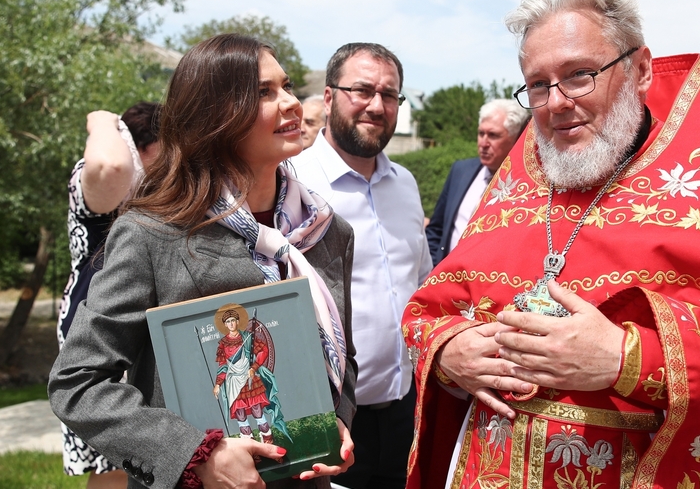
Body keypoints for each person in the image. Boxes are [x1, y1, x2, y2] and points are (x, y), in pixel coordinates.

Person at [402, 0, 700, 488]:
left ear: (640, 70)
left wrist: (627, 359)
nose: (555, 103)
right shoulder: (515, 191)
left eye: (579, 75)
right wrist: (449, 352)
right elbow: (428, 311)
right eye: (537, 84)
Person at [49, 34, 357, 489]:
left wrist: (335, 422)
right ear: (215, 116)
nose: (291, 102)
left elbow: (342, 355)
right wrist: (195, 454)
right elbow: (78, 382)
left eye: (287, 86)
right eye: (263, 93)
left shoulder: (328, 232)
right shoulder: (152, 232)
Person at [293, 43, 433, 489]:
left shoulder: (406, 184)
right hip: (327, 421)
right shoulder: (290, 181)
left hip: (405, 415)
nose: (377, 105)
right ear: (330, 97)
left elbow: (424, 283)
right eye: (363, 91)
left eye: (390, 95)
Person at [56, 101, 161, 489]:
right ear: (139, 148)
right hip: (99, 338)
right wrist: (103, 120)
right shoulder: (96, 182)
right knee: (114, 466)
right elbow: (111, 166)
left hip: (138, 336)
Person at [425, 99, 530, 266]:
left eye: (493, 135)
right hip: (443, 282)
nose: (483, 143)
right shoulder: (460, 171)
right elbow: (436, 229)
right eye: (481, 133)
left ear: (515, 139)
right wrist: (432, 268)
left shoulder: (527, 186)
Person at [213, 306, 287, 444]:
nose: (231, 324)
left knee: (257, 411)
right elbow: (223, 365)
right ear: (225, 324)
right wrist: (218, 384)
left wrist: (254, 367)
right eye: (228, 321)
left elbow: (263, 350)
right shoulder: (223, 344)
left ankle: (269, 443)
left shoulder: (247, 337)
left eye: (233, 320)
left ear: (237, 321)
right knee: (240, 414)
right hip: (233, 382)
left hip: (249, 378)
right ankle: (251, 448)